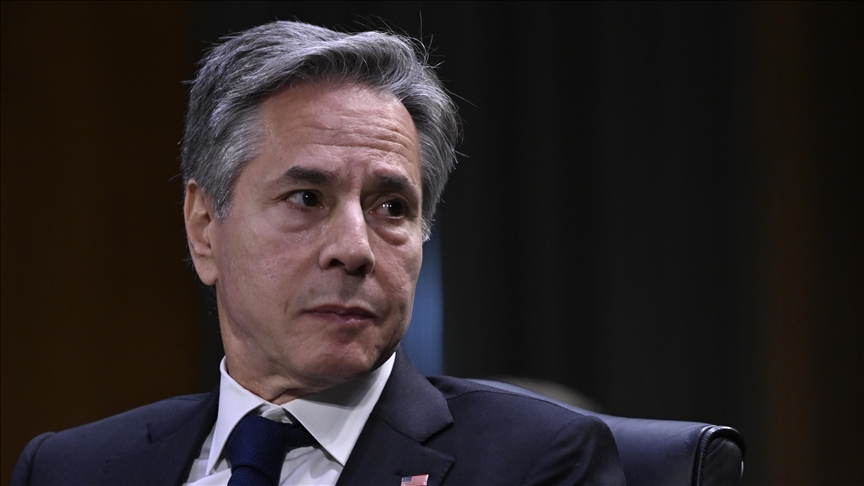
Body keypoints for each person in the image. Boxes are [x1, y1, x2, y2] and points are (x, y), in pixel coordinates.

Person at [12, 21, 625, 486]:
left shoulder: (536, 463)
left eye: (391, 207)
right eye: (307, 198)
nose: (355, 249)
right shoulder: (70, 468)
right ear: (204, 228)